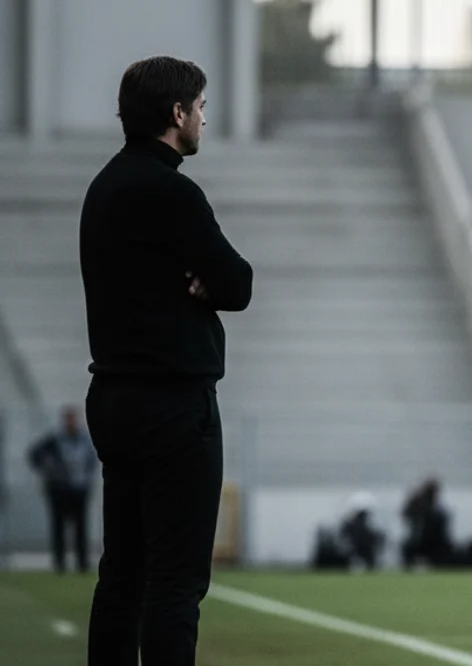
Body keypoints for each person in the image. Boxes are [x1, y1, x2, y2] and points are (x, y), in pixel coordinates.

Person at [80, 57, 253, 666]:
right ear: (177, 114)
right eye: (200, 106)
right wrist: (206, 284)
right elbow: (236, 283)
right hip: (174, 408)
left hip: (114, 398)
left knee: (121, 574)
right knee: (176, 582)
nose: (205, 117)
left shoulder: (104, 187)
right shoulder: (172, 192)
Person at [27, 406, 97, 573]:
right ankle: (60, 563)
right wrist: (49, 471)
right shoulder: (54, 440)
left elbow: (91, 460)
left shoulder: (84, 440)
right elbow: (35, 454)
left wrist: (87, 479)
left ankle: (82, 563)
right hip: (59, 490)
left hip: (79, 489)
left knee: (80, 527)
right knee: (59, 526)